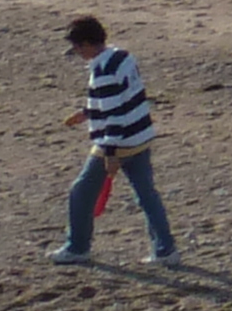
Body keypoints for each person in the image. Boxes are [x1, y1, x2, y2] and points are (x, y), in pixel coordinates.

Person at [50, 16, 175, 265]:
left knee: (81, 192)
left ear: (86, 44)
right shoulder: (121, 57)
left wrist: (110, 154)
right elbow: (120, 97)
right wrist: (87, 111)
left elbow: (115, 114)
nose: (77, 53)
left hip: (121, 141)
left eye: (77, 47)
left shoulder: (102, 72)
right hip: (140, 135)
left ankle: (77, 247)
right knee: (147, 195)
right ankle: (166, 250)